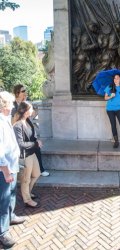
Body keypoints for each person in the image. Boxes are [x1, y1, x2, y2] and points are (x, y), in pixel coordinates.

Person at [0, 91, 25, 248]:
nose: (12, 105)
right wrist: (5, 170)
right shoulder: (0, 123)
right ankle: (3, 232)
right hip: (5, 169)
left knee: (12, 193)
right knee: (3, 199)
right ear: (4, 105)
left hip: (12, 165)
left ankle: (11, 216)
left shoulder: (6, 119)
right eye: (10, 102)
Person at [12, 84, 50, 177]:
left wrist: (28, 106)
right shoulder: (13, 105)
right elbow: (14, 120)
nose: (25, 92)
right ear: (17, 93)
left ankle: (40, 169)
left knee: (36, 146)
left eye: (25, 90)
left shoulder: (25, 102)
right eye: (23, 91)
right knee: (32, 146)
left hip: (28, 129)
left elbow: (31, 115)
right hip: (19, 131)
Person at [13, 102, 41, 208]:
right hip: (25, 156)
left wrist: (36, 140)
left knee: (36, 174)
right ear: (25, 111)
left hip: (32, 153)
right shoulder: (18, 125)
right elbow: (20, 144)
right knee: (25, 179)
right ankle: (27, 200)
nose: (33, 110)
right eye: (31, 108)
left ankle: (28, 193)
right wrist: (35, 144)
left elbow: (32, 136)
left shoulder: (28, 121)